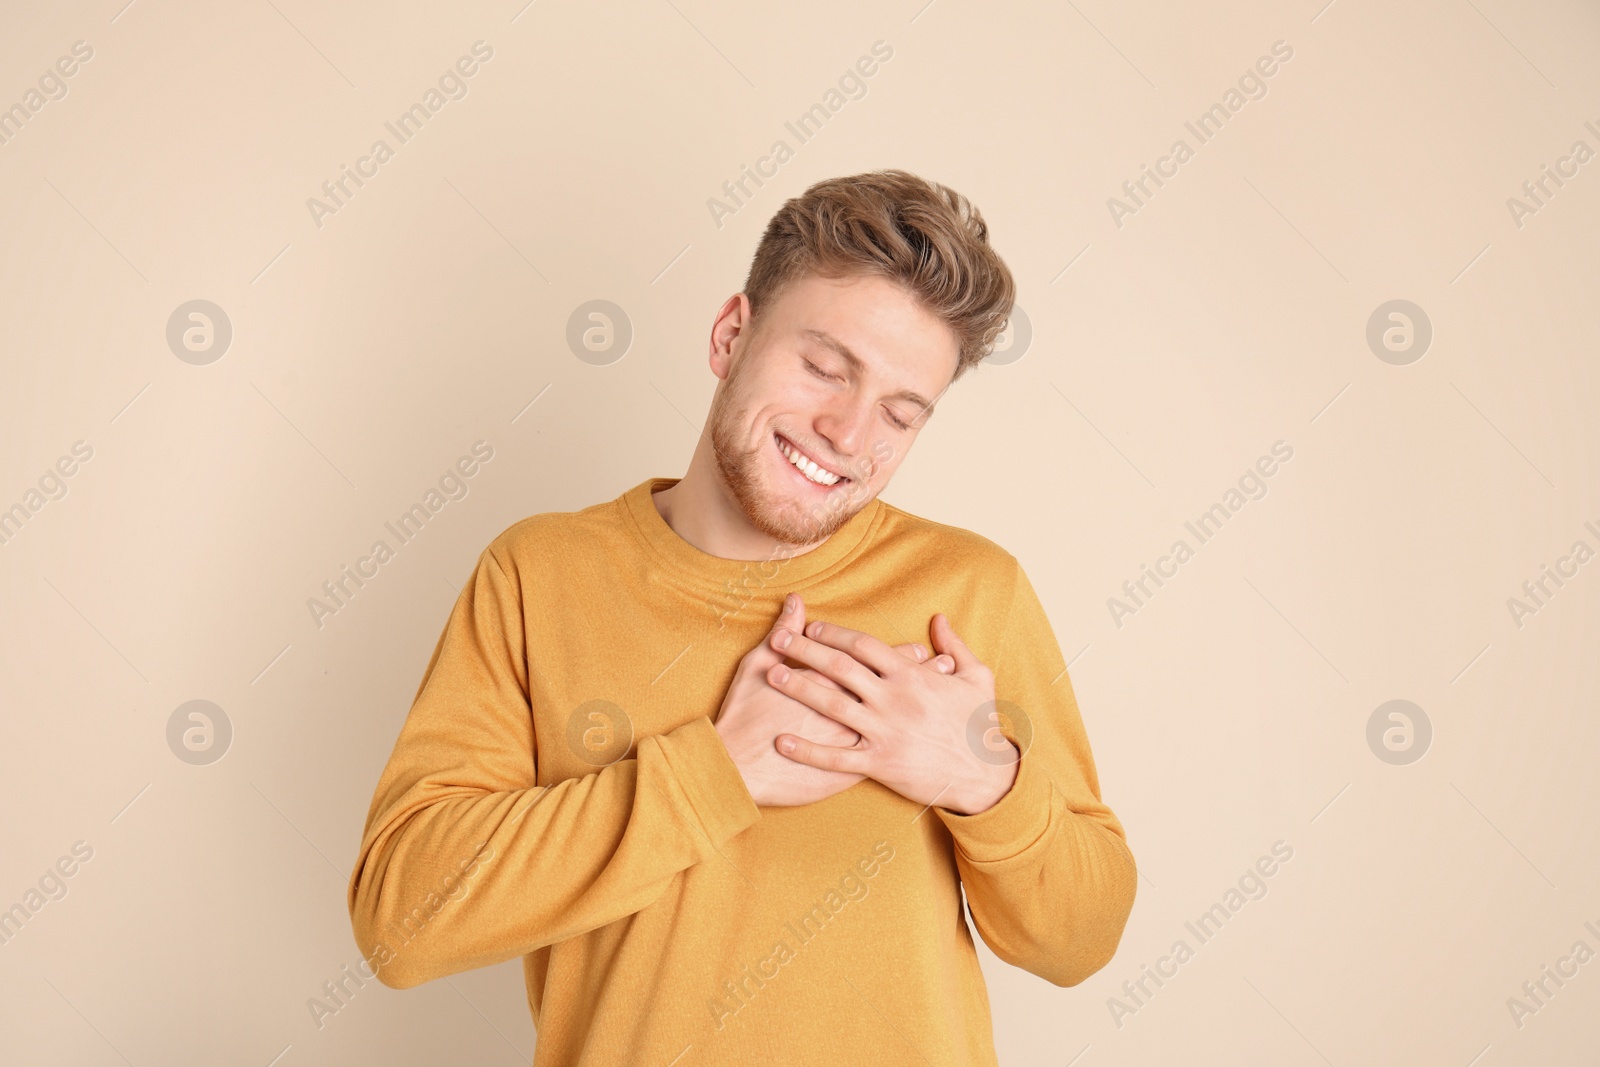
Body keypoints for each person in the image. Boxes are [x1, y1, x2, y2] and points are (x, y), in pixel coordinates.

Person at [348, 169, 1136, 1066]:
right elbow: (398, 925)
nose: (848, 432)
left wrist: (981, 780)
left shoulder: (969, 591)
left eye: (899, 412)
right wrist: (712, 773)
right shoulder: (539, 575)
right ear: (732, 335)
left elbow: (1082, 939)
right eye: (824, 368)